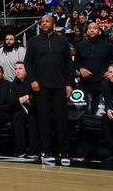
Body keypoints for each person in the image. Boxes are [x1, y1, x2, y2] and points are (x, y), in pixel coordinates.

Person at [24, 15, 73, 166]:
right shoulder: (34, 41)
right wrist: (32, 80)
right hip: (41, 86)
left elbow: (69, 65)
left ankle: (64, 151)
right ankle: (46, 150)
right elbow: (28, 62)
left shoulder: (63, 41)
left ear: (54, 24)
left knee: (61, 119)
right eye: (42, 22)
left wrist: (69, 84)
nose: (44, 24)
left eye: (47, 21)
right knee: (43, 119)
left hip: (59, 86)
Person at [76, 22, 113, 114]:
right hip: (85, 83)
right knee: (86, 112)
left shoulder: (109, 46)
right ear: (87, 31)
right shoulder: (80, 45)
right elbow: (76, 62)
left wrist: (110, 71)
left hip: (103, 83)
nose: (91, 30)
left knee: (100, 113)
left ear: (99, 32)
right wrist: (81, 68)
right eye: (89, 28)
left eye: (94, 28)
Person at [11, 62, 39, 158]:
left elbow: (36, 97)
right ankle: (20, 149)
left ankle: (33, 150)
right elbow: (12, 101)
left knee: (32, 118)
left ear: (26, 70)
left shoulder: (32, 80)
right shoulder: (15, 82)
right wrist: (24, 98)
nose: (17, 71)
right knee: (17, 116)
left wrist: (27, 97)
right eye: (16, 69)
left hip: (35, 109)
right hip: (22, 109)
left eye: (20, 68)